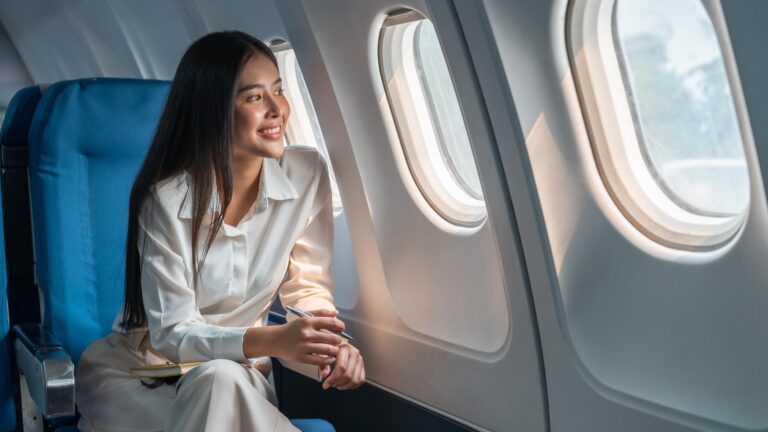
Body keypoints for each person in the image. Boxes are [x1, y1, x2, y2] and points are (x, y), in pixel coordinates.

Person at [75, 31, 365, 432]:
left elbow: (308, 288)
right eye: (254, 97)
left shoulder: (307, 174)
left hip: (234, 375)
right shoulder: (165, 200)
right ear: (214, 111)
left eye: (278, 90)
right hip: (140, 378)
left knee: (220, 380)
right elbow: (173, 333)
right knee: (219, 389)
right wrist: (274, 341)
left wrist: (329, 343)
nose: (277, 108)